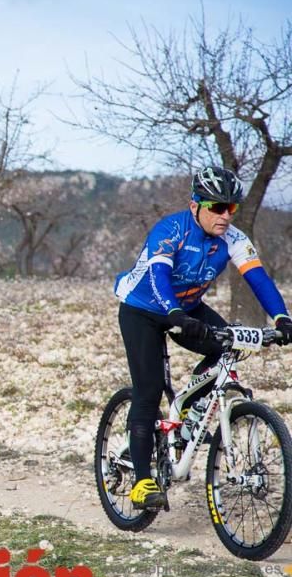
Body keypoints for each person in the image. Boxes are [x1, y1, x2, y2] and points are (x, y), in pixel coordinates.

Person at [114, 166, 292, 510]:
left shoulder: (234, 239)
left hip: (187, 307)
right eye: (217, 207)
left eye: (232, 208)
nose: (225, 215)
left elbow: (259, 279)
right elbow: (158, 274)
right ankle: (141, 482)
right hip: (143, 309)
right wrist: (173, 313)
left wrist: (282, 317)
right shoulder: (171, 229)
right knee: (148, 390)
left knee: (229, 348)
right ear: (196, 204)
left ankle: (190, 412)